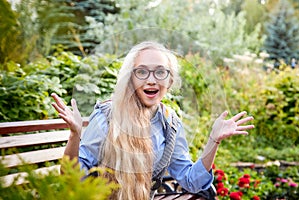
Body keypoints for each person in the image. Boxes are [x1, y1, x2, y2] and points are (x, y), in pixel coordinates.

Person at [51, 41, 254, 200]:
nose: (151, 79)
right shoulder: (107, 117)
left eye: (160, 72)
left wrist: (213, 141)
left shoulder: (169, 124)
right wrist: (75, 134)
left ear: (170, 80)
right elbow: (72, 178)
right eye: (141, 71)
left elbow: (191, 181)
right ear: (130, 78)